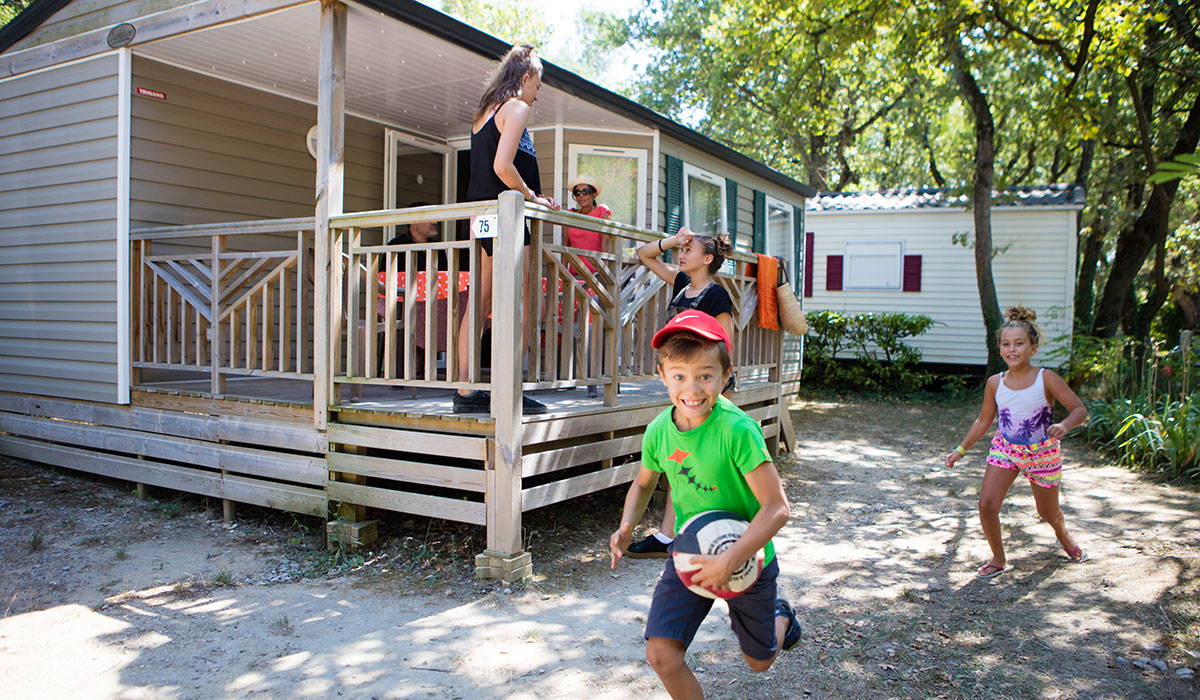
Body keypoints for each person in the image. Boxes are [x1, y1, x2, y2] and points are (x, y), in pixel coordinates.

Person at [609, 310, 800, 699]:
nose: (692, 389)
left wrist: (731, 560)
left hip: (749, 558)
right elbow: (644, 483)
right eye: (679, 376)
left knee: (759, 662)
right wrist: (627, 524)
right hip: (691, 554)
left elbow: (777, 508)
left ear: (725, 375)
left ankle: (782, 616)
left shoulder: (737, 430)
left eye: (705, 375)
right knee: (661, 654)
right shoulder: (659, 431)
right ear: (662, 375)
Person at [944, 305, 1089, 579]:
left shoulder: (1046, 378)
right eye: (1006, 344)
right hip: (1006, 449)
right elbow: (983, 421)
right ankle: (998, 559)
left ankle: (1063, 533)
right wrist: (960, 450)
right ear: (999, 348)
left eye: (1019, 344)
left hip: (1042, 453)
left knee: (1047, 512)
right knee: (986, 506)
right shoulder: (994, 383)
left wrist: (1064, 424)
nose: (1012, 349)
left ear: (1033, 348)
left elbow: (1079, 409)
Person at [454, 44, 560, 415]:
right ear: (526, 77)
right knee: (524, 302)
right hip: (508, 217)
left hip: (483, 217)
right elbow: (502, 166)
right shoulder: (517, 107)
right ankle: (509, 390)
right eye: (538, 84)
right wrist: (534, 197)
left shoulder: (484, 113)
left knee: (480, 304)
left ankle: (465, 391)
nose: (538, 93)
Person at [627, 226, 736, 557]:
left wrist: (718, 391)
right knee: (680, 458)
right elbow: (643, 254)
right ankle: (669, 535)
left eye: (689, 250)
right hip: (681, 385)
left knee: (702, 461)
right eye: (681, 250)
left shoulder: (717, 296)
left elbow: (725, 344)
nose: (681, 254)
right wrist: (672, 240)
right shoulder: (680, 284)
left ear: (707, 258)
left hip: (705, 390)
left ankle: (703, 530)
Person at [565, 175, 612, 274]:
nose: (581, 196)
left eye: (585, 192)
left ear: (594, 195)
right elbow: (565, 246)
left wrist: (604, 274)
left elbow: (606, 242)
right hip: (574, 274)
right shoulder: (570, 214)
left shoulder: (601, 211)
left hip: (596, 273)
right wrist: (561, 274)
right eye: (577, 193)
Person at [384, 201, 446, 272]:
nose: (435, 222)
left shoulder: (438, 249)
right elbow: (385, 279)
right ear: (413, 221)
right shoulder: (396, 246)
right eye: (429, 217)